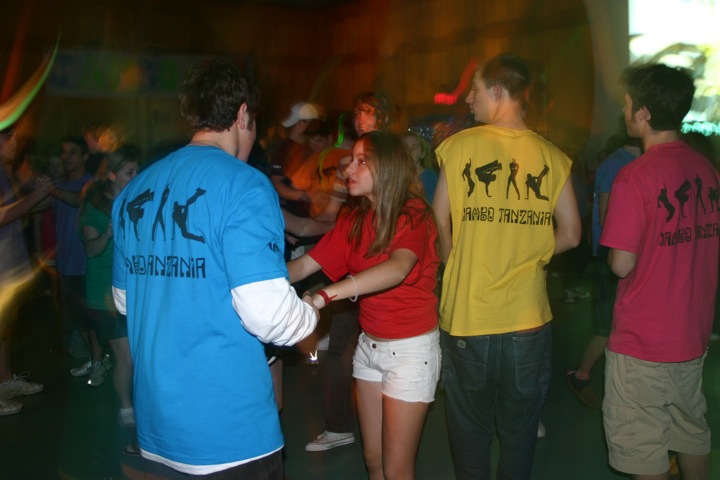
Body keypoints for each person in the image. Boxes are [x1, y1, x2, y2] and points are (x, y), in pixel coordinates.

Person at [111, 60, 318, 478]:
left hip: (159, 430)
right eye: (254, 122)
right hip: (229, 434)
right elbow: (269, 316)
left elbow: (125, 301)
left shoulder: (136, 188)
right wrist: (310, 312)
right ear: (242, 114)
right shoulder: (245, 184)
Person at [432, 53, 581, 480]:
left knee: (469, 433)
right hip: (527, 318)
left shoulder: (459, 147)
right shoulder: (553, 156)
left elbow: (439, 218)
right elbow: (572, 234)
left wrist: (455, 259)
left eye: (475, 91)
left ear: (497, 92)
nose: (469, 100)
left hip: (468, 316)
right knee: (519, 434)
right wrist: (531, 252)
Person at [288, 131, 440, 479]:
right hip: (369, 348)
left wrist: (325, 295)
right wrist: (249, 283)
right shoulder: (355, 218)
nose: (348, 169)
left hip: (410, 352)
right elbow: (305, 264)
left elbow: (398, 268)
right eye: (351, 161)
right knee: (374, 461)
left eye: (361, 161)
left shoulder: (414, 214)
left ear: (386, 167)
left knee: (397, 470)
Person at [600, 63, 719, 480]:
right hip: (692, 335)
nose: (624, 112)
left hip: (644, 341)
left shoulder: (635, 177)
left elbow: (622, 264)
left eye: (627, 104)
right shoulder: (707, 171)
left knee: (642, 449)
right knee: (691, 430)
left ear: (644, 112)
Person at [302, 92, 394, 453]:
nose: (360, 119)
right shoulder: (347, 164)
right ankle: (339, 426)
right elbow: (331, 213)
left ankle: (395, 424)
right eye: (357, 113)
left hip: (387, 273)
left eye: (367, 112)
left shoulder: (396, 156)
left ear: (383, 117)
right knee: (341, 349)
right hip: (351, 259)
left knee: (391, 355)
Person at [565, 129, 641, 409]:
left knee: (620, 321)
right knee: (608, 323)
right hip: (612, 254)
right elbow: (606, 216)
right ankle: (581, 374)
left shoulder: (637, 162)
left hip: (626, 254)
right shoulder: (614, 164)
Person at [78, 146, 138, 420]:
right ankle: (126, 408)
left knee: (138, 357)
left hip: (133, 291)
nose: (136, 177)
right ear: (112, 175)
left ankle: (137, 405)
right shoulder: (94, 208)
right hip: (104, 295)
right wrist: (108, 233)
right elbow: (91, 250)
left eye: (137, 171)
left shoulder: (136, 202)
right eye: (129, 172)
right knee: (127, 358)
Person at [0, 125, 50, 413]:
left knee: (6, 328)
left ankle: (5, 380)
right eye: (8, 138)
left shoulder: (6, 171)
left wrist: (43, 194)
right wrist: (35, 196)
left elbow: (21, 210)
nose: (15, 143)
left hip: (8, 266)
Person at [403, 131, 439, 203]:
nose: (409, 151)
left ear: (423, 153)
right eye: (406, 147)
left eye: (414, 148)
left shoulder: (430, 178)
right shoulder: (397, 176)